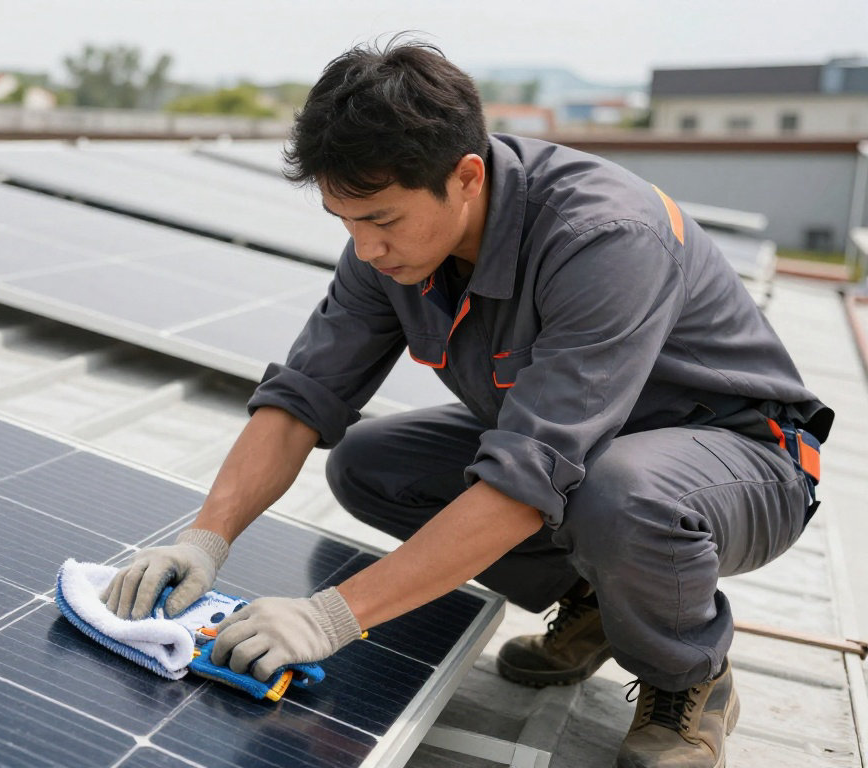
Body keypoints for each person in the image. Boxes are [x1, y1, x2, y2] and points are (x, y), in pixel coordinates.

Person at [103, 38, 831, 768]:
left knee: (620, 493)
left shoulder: (603, 237)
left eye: (382, 220)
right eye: (345, 222)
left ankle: (691, 677)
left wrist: (335, 616)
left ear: (467, 177)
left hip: (741, 459)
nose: (366, 248)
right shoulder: (387, 247)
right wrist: (206, 537)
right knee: (369, 464)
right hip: (585, 453)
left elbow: (529, 476)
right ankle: (601, 605)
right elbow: (303, 397)